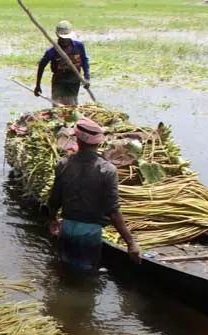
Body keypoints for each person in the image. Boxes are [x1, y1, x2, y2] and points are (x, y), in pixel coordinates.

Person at [47, 118, 140, 272]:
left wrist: (52, 219)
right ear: (98, 142)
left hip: (67, 228)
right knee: (86, 276)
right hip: (89, 234)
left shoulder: (63, 164)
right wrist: (131, 243)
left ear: (77, 140)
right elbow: (113, 211)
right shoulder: (107, 170)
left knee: (63, 270)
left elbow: (54, 199)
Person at [34, 20, 90, 106]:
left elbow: (84, 61)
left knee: (72, 106)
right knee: (57, 107)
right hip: (59, 81)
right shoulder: (52, 51)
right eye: (62, 37)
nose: (64, 40)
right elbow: (41, 67)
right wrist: (38, 85)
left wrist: (86, 77)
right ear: (57, 35)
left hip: (74, 81)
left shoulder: (79, 46)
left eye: (66, 37)